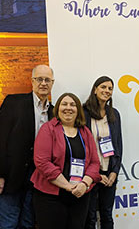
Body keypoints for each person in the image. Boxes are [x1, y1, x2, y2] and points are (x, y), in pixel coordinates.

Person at [31, 93, 100, 229]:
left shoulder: (85, 131)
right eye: (64, 104)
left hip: (80, 196)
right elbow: (42, 162)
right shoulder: (48, 129)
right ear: (57, 108)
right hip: (50, 197)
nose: (68, 108)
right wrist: (68, 186)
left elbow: (94, 162)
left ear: (78, 110)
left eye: (73, 105)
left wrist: (84, 184)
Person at [0, 65, 54, 229]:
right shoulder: (13, 102)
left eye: (47, 80)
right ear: (32, 81)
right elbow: (1, 139)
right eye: (39, 79)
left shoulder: (54, 112)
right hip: (11, 175)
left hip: (39, 177)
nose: (43, 83)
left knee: (29, 222)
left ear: (52, 83)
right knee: (8, 222)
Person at [83, 76, 122, 229]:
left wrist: (114, 172)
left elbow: (118, 145)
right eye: (103, 87)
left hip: (109, 172)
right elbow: (81, 146)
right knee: (90, 217)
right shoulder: (83, 112)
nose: (106, 91)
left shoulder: (114, 114)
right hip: (90, 174)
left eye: (110, 88)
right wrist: (96, 175)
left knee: (107, 215)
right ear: (95, 89)